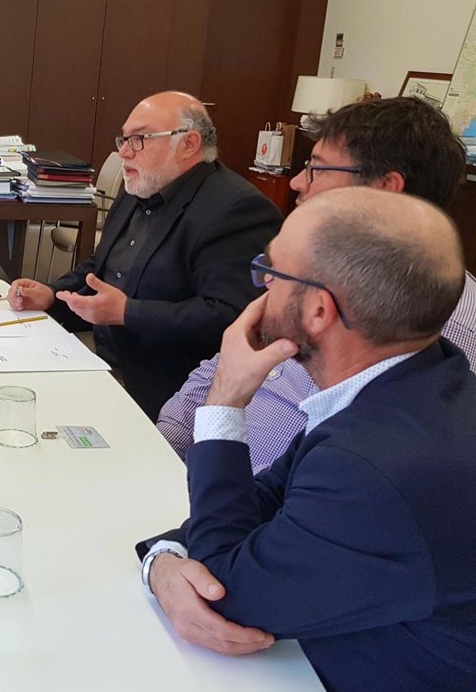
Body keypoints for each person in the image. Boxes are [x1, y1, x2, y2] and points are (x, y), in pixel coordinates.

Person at [137, 188, 476, 692]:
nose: (262, 285)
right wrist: (163, 559)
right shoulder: (417, 385)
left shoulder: (376, 465)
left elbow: (224, 590)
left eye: (272, 270)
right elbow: (264, 505)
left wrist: (226, 398)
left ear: (318, 310)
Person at [158, 96, 476, 471]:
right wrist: (161, 445)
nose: (297, 182)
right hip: (195, 472)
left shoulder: (440, 328)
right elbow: (226, 363)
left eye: (317, 169)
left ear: (385, 187)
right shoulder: (309, 268)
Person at [9, 92, 281, 420]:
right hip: (100, 365)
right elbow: (100, 268)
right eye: (124, 139)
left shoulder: (236, 209)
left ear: (189, 143)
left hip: (168, 395)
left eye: (139, 139)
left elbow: (229, 316)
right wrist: (53, 296)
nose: (124, 152)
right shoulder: (140, 187)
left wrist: (128, 313)